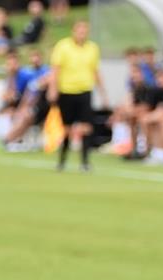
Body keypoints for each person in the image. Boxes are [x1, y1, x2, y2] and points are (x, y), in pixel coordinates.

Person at [47, 20, 108, 172]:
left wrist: (103, 92)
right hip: (67, 91)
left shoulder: (92, 48)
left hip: (84, 91)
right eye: (79, 30)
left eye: (84, 31)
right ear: (73, 31)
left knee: (86, 127)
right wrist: (53, 89)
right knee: (67, 128)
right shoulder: (63, 46)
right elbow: (55, 70)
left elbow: (95, 71)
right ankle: (62, 160)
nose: (82, 34)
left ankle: (85, 161)